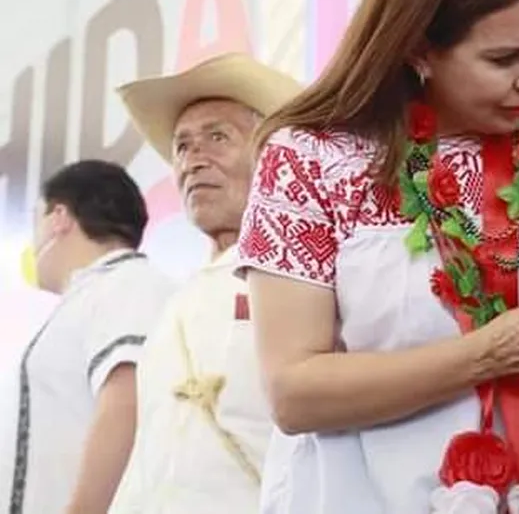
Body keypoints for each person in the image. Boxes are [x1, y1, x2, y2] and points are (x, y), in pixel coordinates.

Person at [234, 0, 519, 514]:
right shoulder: (312, 158)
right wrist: (493, 352)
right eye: (504, 58)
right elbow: (294, 392)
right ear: (418, 48)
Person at [107, 53, 304, 513]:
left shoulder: (306, 274)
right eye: (182, 146)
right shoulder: (174, 304)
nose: (194, 160)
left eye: (218, 137)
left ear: (271, 154)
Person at [0, 160, 174, 514]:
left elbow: (127, 398)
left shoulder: (128, 283)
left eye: (38, 220)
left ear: (59, 217)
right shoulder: (94, 292)